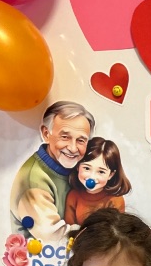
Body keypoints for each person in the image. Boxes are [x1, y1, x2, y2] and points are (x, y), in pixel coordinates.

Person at [10, 101, 95, 243]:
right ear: (46, 134)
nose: (73, 148)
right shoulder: (34, 179)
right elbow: (54, 237)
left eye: (81, 140)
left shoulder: (76, 169)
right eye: (65, 137)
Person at [65, 137, 132, 228]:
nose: (92, 177)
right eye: (87, 168)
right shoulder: (73, 196)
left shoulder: (115, 200)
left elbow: (116, 230)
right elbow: (70, 228)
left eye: (101, 172)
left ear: (111, 175)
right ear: (78, 166)